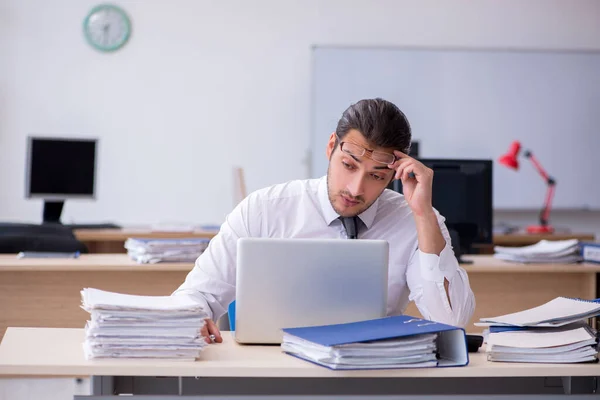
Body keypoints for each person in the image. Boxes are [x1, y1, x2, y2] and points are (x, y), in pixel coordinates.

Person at [173, 98, 475, 343]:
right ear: (332, 146)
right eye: (348, 165)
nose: (356, 189)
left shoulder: (414, 221)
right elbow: (198, 294)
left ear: (394, 174)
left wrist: (423, 214)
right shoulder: (264, 209)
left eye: (376, 176)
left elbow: (450, 321)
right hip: (272, 372)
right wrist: (193, 314)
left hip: (371, 376)